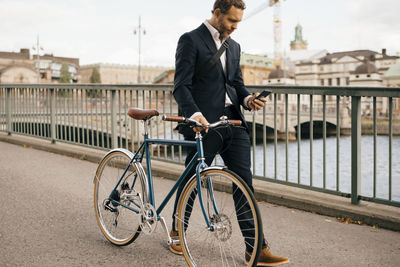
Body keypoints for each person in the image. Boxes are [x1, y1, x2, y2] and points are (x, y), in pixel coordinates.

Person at [170, 0, 289, 265]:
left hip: (233, 122)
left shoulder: (234, 46)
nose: (235, 27)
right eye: (231, 21)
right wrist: (194, 114)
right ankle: (178, 233)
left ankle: (254, 247)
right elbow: (181, 86)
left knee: (244, 184)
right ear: (217, 13)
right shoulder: (190, 40)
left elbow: (236, 84)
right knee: (193, 178)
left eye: (238, 22)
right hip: (203, 123)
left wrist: (248, 100)